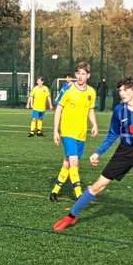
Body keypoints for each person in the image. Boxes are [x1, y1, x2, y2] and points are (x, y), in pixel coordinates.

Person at [53, 77, 133, 240]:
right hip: (124, 152)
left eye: (125, 90)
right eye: (120, 90)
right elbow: (113, 134)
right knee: (99, 186)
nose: (122, 93)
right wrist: (98, 152)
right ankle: (71, 216)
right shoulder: (119, 110)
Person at [50, 62, 98, 201]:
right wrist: (55, 131)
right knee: (74, 161)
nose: (80, 76)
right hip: (67, 131)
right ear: (75, 74)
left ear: (88, 75)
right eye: (78, 73)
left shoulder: (91, 92)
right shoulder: (68, 89)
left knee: (68, 162)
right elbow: (58, 109)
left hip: (81, 133)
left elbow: (90, 110)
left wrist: (94, 124)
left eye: (83, 74)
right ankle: (78, 194)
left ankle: (55, 191)